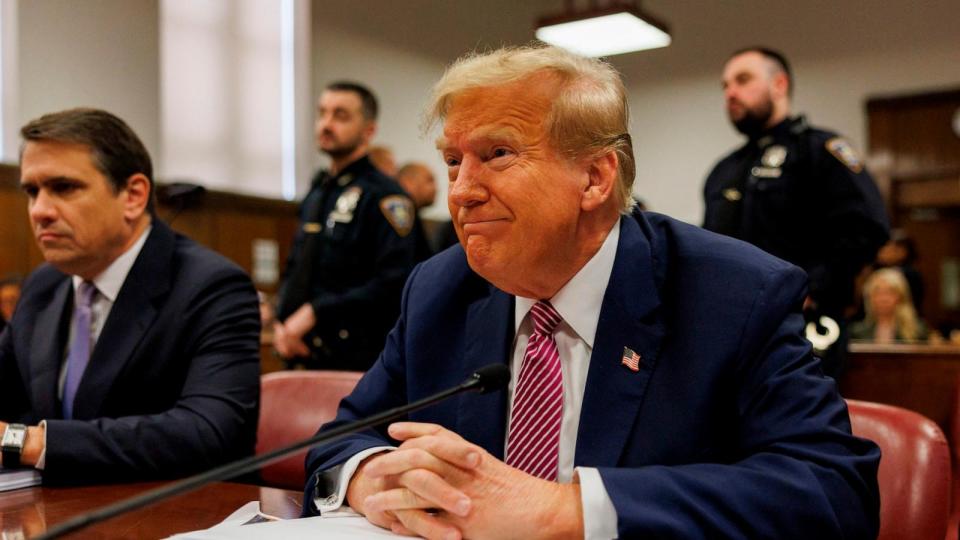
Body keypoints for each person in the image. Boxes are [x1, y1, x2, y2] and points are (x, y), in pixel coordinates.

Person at [302, 46, 880, 539]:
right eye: (453, 162)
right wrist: (370, 473)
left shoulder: (734, 293)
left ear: (596, 178)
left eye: (497, 155)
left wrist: (565, 510)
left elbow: (833, 490)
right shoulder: (438, 288)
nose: (461, 192)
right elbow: (342, 441)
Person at [0, 108, 260, 485]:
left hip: (179, 515)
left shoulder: (212, 286)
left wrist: (25, 441)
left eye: (64, 188)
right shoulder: (45, 284)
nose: (40, 210)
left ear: (134, 196)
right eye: (31, 191)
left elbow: (207, 433)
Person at [702, 47, 889, 377]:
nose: (730, 92)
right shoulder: (725, 171)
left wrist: (810, 288)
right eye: (725, 86)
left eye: (743, 80)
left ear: (779, 84)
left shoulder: (820, 151)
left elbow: (869, 227)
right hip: (733, 332)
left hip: (805, 328)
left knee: (802, 424)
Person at [274, 82, 417, 371]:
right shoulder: (319, 191)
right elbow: (298, 266)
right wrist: (280, 320)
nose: (326, 124)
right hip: (300, 349)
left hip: (355, 356)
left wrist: (316, 313)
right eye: (322, 113)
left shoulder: (385, 197)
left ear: (369, 130)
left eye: (340, 116)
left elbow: (395, 281)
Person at [850, 268, 927, 343]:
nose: (884, 299)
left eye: (890, 292)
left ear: (901, 297)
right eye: (878, 292)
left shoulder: (917, 331)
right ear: (870, 297)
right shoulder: (856, 332)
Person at [396, 162, 438, 261]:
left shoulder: (414, 216)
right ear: (407, 182)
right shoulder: (401, 218)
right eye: (429, 181)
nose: (436, 188)